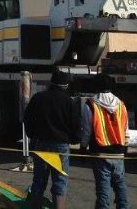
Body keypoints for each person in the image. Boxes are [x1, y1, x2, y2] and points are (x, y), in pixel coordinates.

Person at [23, 68, 79, 209]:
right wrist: (73, 139)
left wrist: (32, 134)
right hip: (60, 146)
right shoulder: (68, 101)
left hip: (40, 144)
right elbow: (75, 125)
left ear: (51, 82)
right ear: (65, 85)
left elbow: (27, 118)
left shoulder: (38, 98)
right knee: (60, 182)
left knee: (39, 180)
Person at [80, 74, 130, 209]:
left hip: (100, 153)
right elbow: (126, 128)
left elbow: (87, 130)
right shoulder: (121, 104)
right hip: (118, 152)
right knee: (121, 188)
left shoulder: (90, 105)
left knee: (103, 191)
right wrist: (125, 146)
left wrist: (83, 147)